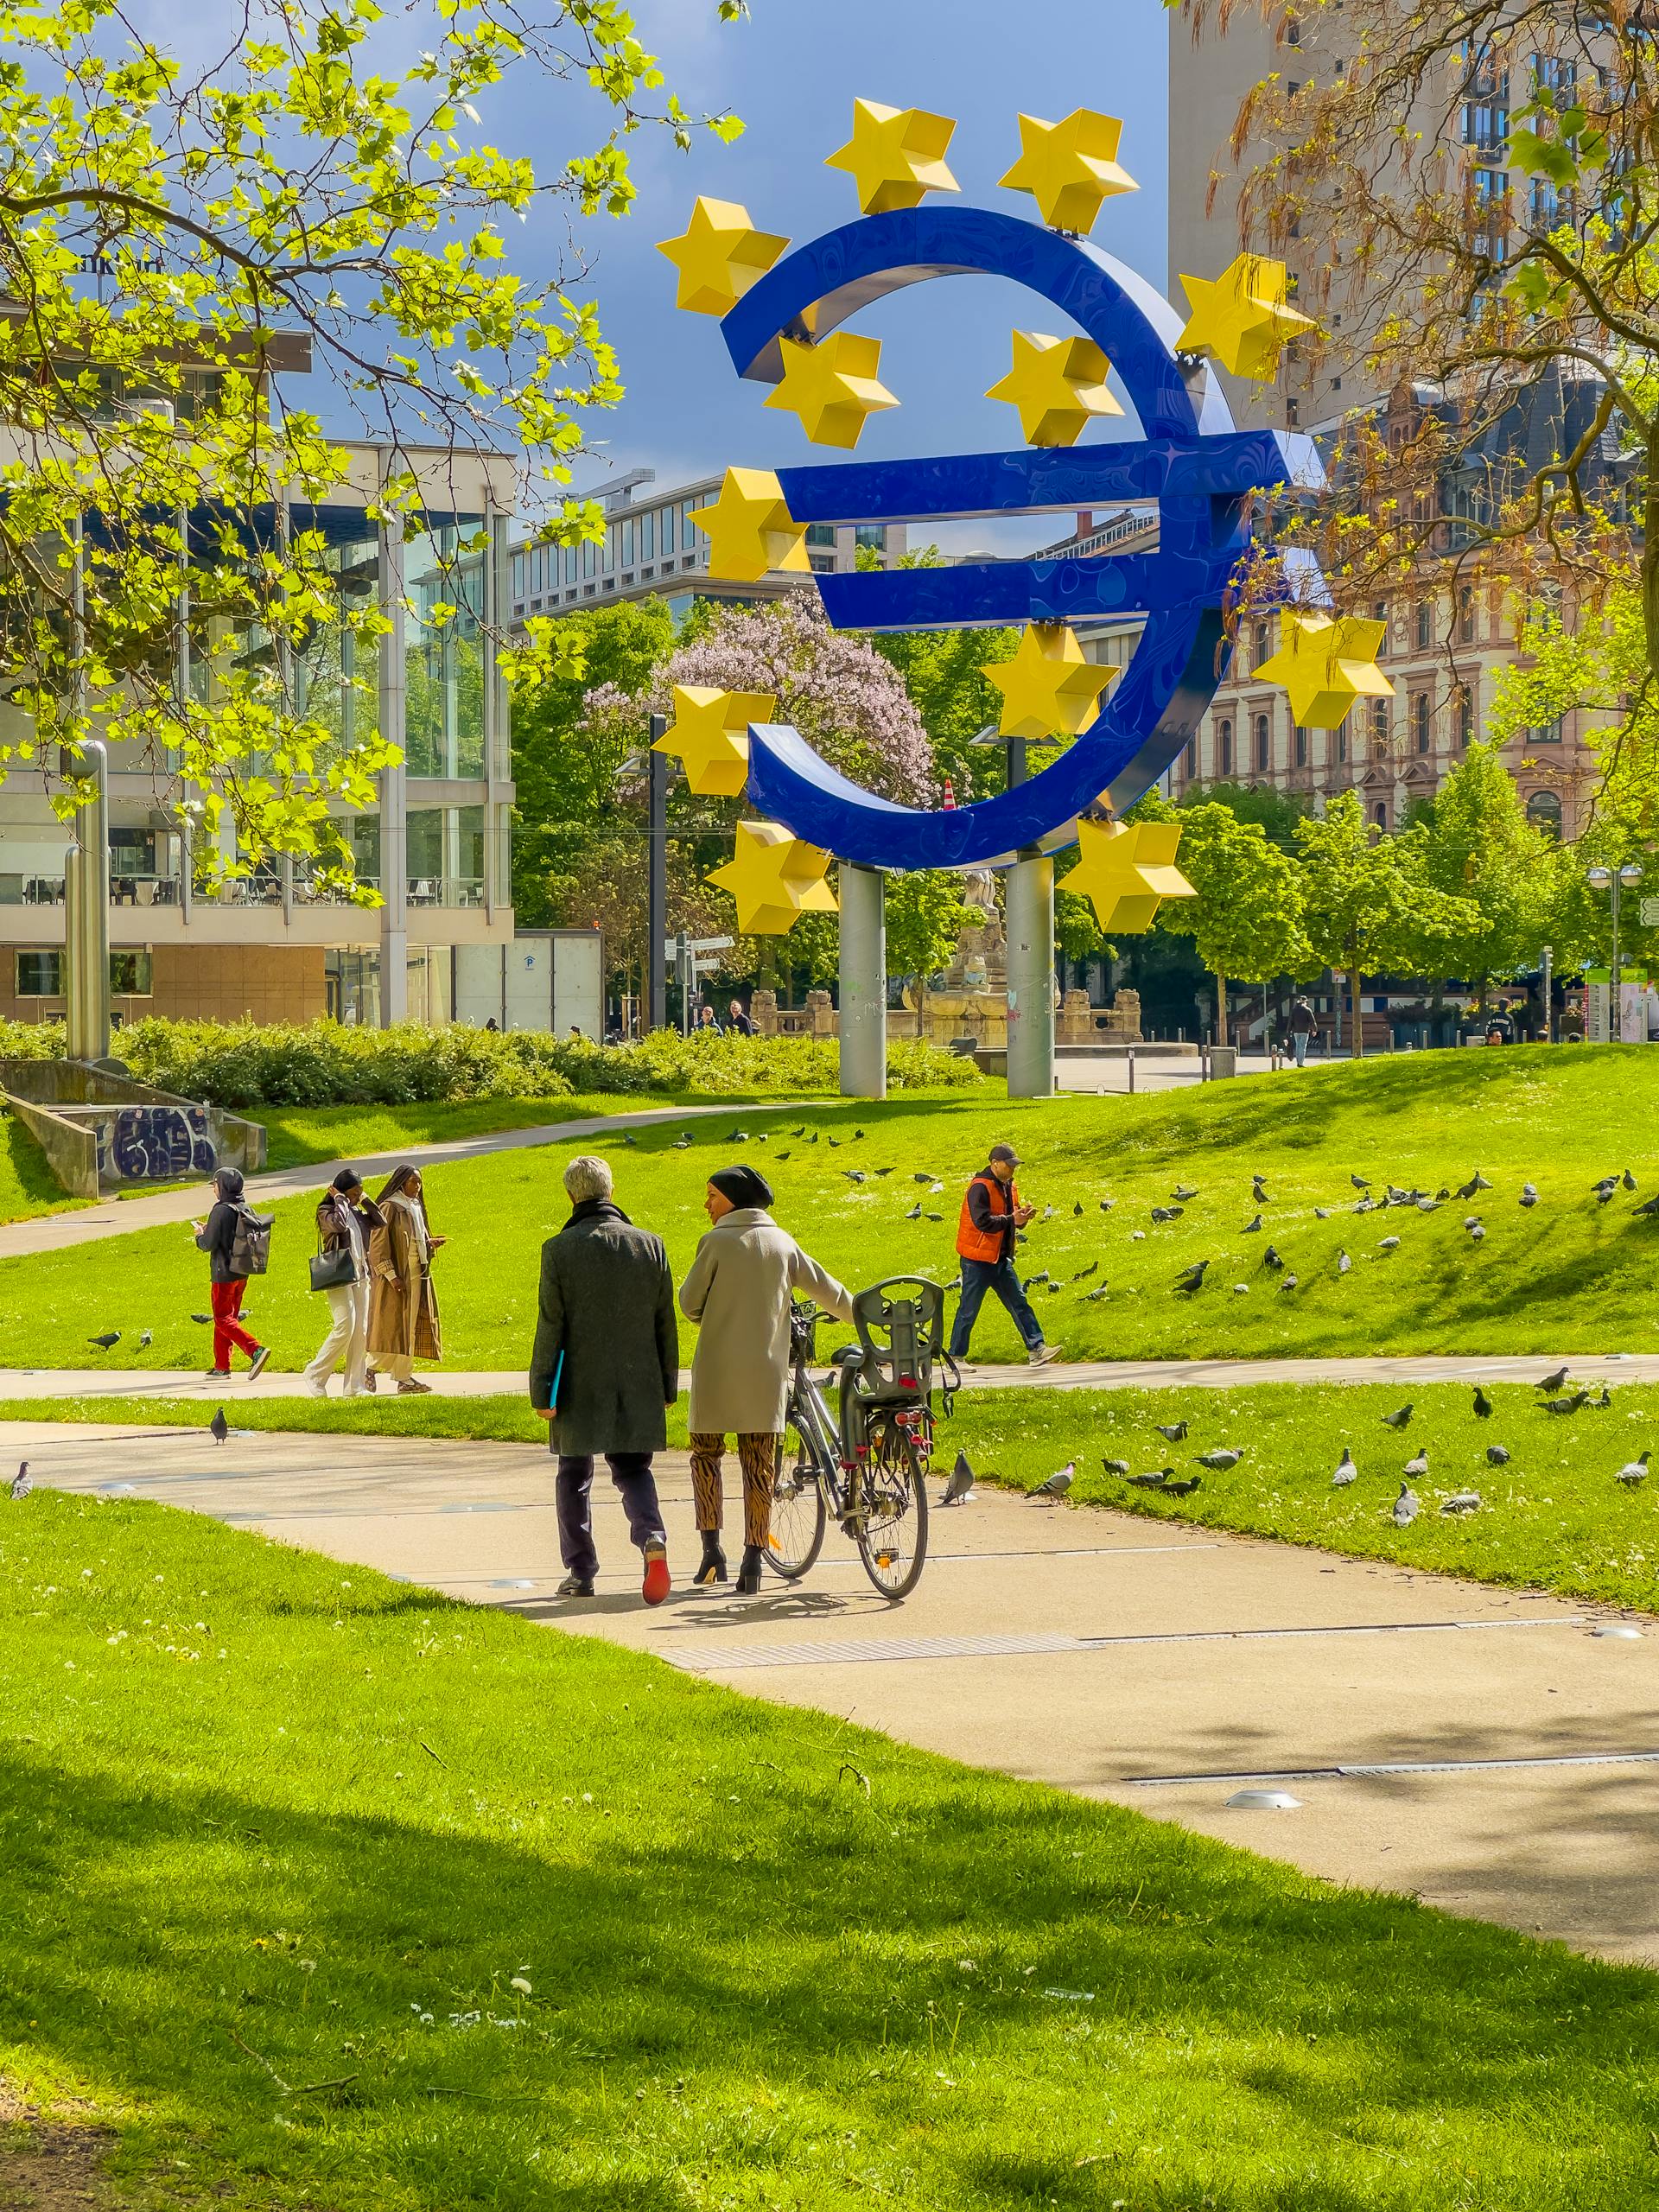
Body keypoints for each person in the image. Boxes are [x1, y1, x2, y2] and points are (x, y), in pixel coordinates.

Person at [678, 1164, 853, 1594]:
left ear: (733, 1200)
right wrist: (867, 1319)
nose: (707, 1204)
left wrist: (710, 1314)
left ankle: (711, 1551)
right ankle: (753, 1562)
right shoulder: (783, 1242)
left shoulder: (716, 1241)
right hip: (765, 1372)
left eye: (712, 1196)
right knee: (759, 1465)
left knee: (706, 1457)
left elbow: (688, 1303)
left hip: (716, 1369)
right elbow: (829, 1291)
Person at [529, 1154, 678, 1604]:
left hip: (579, 1383)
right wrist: (667, 1385)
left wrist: (542, 1390)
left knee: (573, 1472)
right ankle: (652, 1537)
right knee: (634, 1468)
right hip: (639, 1378)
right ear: (611, 1191)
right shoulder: (650, 1245)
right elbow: (664, 1323)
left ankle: (581, 1570)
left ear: (572, 1195)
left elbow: (551, 1326)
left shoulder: (559, 1250)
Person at [947, 1142, 1057, 1369]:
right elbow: (982, 1222)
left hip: (1000, 1258)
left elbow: (1010, 1219)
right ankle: (955, 1358)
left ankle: (1037, 1349)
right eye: (1009, 1165)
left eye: (1014, 1165)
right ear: (994, 1164)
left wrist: (1022, 1219)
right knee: (968, 1309)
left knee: (1020, 1302)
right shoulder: (979, 1187)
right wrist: (1011, 1220)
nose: (1012, 1169)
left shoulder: (1009, 1186)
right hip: (977, 1260)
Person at [303, 1169, 380, 1398]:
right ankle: (315, 1373)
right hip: (340, 1274)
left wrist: (364, 1199)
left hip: (361, 1274)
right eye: (354, 1193)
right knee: (345, 1326)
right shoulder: (326, 1211)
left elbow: (379, 1220)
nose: (357, 1197)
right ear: (341, 1193)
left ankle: (354, 1385)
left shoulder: (356, 1211)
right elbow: (337, 1226)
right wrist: (340, 1200)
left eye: (360, 1192)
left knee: (361, 1331)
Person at [367, 1164, 444, 1394]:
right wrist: (391, 1276)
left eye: (420, 1182)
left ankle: (403, 1377)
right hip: (399, 1276)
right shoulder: (390, 1207)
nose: (418, 1187)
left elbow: (414, 1238)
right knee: (395, 1327)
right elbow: (378, 1246)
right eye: (413, 1182)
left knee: (409, 1327)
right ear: (401, 1182)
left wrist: (429, 1244)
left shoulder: (415, 1206)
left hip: (418, 1273)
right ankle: (370, 1368)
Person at [190, 1167, 272, 1382]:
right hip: (242, 1271)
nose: (214, 1190)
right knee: (229, 1319)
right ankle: (222, 1365)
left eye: (215, 1185)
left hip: (223, 1273)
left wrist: (200, 1235)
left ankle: (255, 1350)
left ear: (223, 1186)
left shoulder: (220, 1210)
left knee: (222, 1318)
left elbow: (208, 1244)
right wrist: (211, 1229)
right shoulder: (244, 1207)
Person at [1288, 996, 1318, 1066]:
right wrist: (1315, 1030)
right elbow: (1312, 1021)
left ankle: (1298, 1061)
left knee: (1298, 1046)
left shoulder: (1294, 1010)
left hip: (1296, 1031)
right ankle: (1300, 1063)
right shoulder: (1307, 1010)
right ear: (1305, 1002)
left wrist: (1289, 1031)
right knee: (1303, 1047)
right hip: (1304, 1030)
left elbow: (1290, 1021)